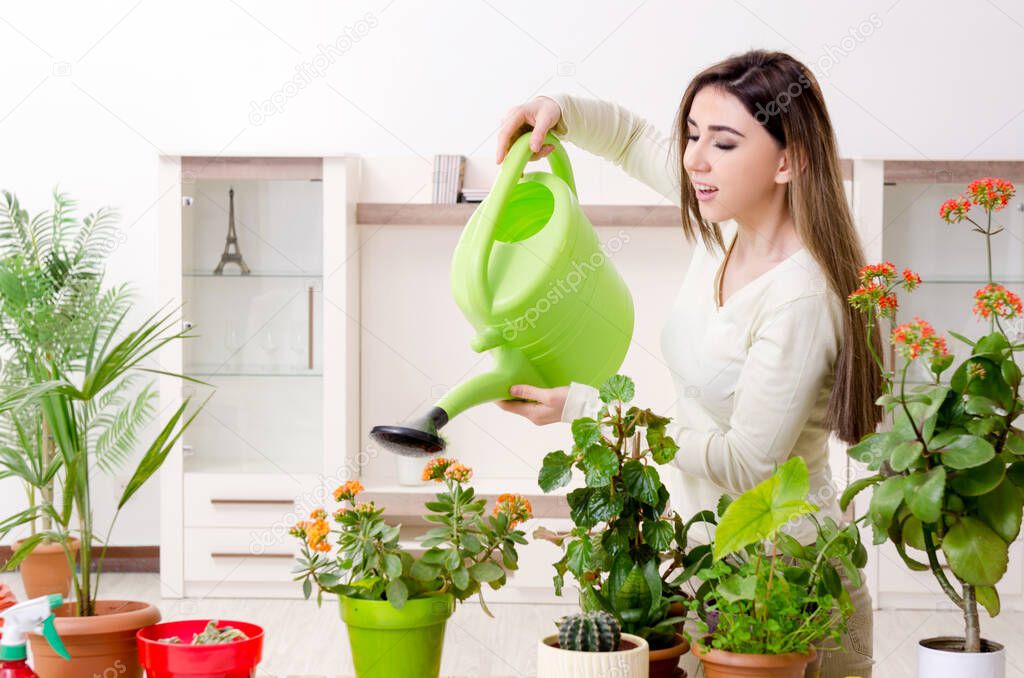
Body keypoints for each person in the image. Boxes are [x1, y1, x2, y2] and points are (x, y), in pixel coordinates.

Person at [494, 49, 876, 677]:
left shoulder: (800, 299)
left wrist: (590, 411)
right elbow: (631, 138)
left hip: (787, 589)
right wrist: (557, 110)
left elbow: (747, 463)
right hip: (716, 568)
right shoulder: (727, 225)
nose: (694, 158)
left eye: (723, 142)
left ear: (790, 159)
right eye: (693, 134)